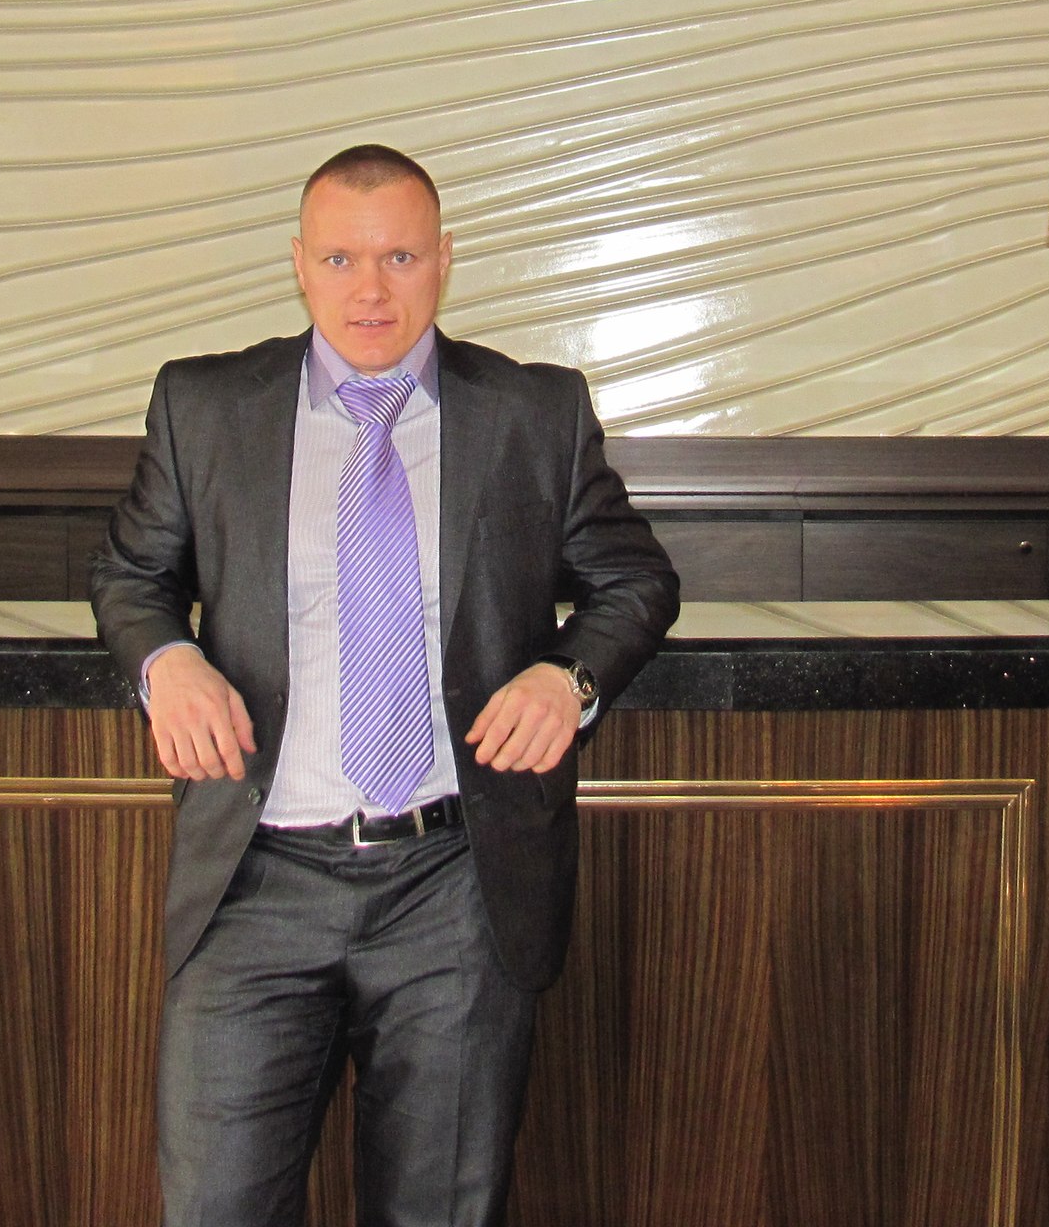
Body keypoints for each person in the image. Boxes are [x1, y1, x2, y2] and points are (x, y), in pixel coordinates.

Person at [90, 143, 680, 1227]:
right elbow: (131, 577)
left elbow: (635, 581)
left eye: (400, 257)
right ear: (298, 264)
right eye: (341, 259)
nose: (371, 290)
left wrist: (569, 679)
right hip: (256, 882)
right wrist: (167, 662)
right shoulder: (206, 406)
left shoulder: (533, 412)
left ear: (444, 260)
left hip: (454, 885)